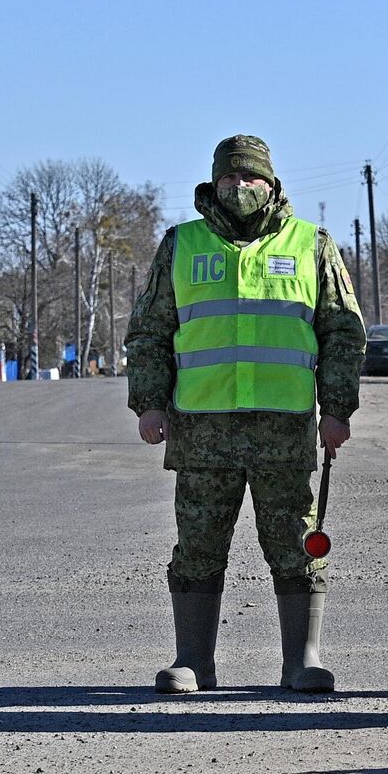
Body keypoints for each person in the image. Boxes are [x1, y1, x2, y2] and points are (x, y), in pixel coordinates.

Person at [125, 134, 367, 694]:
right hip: (202, 428)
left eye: (251, 177)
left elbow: (342, 334)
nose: (240, 187)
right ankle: (193, 662)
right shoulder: (181, 244)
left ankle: (301, 661)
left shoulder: (313, 244)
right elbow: (150, 332)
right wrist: (150, 402)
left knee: (293, 539)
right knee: (199, 542)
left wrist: (337, 409)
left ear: (272, 184)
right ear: (213, 184)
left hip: (283, 427)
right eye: (229, 178)